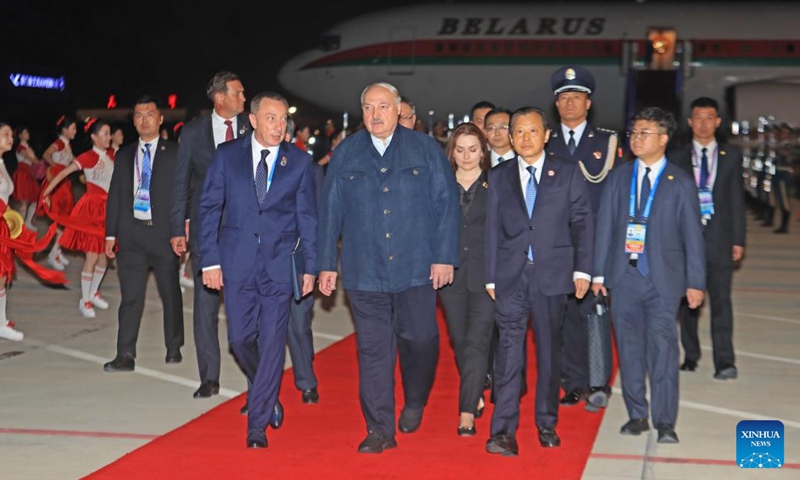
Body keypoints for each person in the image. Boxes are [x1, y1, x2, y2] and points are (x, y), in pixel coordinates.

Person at [317, 82, 460, 454]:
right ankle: (380, 428)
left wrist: (444, 256)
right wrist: (325, 264)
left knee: (421, 340)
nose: (375, 114)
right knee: (374, 351)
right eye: (368, 107)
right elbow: (330, 211)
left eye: (383, 106)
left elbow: (447, 206)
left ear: (398, 110)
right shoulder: (346, 153)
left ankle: (415, 398)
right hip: (365, 271)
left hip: (416, 268)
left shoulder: (425, 149)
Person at [197, 91, 318, 449]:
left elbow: (308, 217)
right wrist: (210, 260)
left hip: (280, 266)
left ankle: (258, 424)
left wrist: (310, 265)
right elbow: (208, 210)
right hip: (236, 262)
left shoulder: (298, 162)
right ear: (252, 119)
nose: (278, 126)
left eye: (282, 119)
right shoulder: (226, 157)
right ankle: (269, 394)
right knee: (239, 339)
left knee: (272, 343)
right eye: (270, 118)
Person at [592, 107, 705, 445]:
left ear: (664, 138)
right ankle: (637, 413)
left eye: (644, 133)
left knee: (663, 349)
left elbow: (693, 237)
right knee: (629, 349)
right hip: (623, 276)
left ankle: (666, 420)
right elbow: (605, 229)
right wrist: (598, 273)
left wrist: (695, 282)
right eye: (634, 132)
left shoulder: (680, 181)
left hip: (663, 280)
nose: (636, 139)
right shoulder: (619, 177)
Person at [484, 106, 593, 457]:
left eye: (533, 131)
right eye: (518, 132)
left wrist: (583, 269)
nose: (525, 138)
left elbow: (582, 222)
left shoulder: (566, 171)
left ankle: (546, 422)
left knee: (548, 353)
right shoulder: (499, 176)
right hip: (510, 276)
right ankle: (502, 431)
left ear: (547, 135)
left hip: (553, 274)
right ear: (511, 137)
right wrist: (489, 275)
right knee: (508, 353)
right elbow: (490, 229)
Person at [170, 71, 250, 399]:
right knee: (205, 308)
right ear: (220, 98)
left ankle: (255, 378)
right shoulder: (193, 134)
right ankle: (209, 377)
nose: (244, 99)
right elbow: (181, 183)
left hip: (246, 231)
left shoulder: (252, 127)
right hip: (207, 231)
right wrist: (178, 227)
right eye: (239, 93)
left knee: (245, 305)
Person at [546, 65, 621, 412]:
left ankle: (598, 382)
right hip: (555, 245)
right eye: (564, 98)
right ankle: (572, 382)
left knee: (594, 314)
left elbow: (616, 199)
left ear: (588, 103)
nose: (570, 103)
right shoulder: (545, 141)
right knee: (563, 318)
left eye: (576, 97)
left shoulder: (607, 143)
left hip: (594, 244)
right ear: (556, 104)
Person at [103, 95, 184, 372]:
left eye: (149, 114)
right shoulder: (124, 155)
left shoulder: (175, 153)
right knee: (130, 297)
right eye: (138, 115)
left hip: (164, 236)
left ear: (160, 119)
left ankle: (174, 346)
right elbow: (115, 196)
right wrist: (110, 234)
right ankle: (125, 353)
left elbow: (183, 193)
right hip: (132, 236)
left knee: (170, 293)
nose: (143, 119)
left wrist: (181, 227)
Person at [671, 97, 745, 380]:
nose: (703, 123)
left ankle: (725, 361)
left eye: (709, 117)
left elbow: (737, 200)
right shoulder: (677, 156)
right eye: (697, 117)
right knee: (687, 303)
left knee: (722, 303)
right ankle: (690, 355)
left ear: (717, 122)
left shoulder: (731, 156)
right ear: (690, 122)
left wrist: (738, 239)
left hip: (720, 240)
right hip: (685, 241)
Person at [438, 122, 494, 437]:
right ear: (452, 152)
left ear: (483, 151)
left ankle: (466, 413)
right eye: (460, 150)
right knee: (460, 341)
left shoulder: (496, 184)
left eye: (473, 149)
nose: (466, 156)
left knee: (477, 342)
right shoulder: (441, 184)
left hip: (486, 277)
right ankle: (476, 390)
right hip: (451, 276)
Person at [0, 121, 67, 342]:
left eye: (11, 134)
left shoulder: (2, 162)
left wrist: (12, 219)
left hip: (4, 224)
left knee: (3, 275)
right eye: (6, 134)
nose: (11, 138)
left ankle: (1, 321)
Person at [42, 119, 115, 318]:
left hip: (108, 209)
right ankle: (85, 300)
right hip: (92, 209)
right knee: (92, 256)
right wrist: (47, 191)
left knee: (105, 257)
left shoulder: (110, 156)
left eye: (109, 133)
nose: (109, 137)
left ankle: (93, 292)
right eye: (105, 133)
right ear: (94, 137)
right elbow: (65, 171)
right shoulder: (88, 157)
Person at [39, 116, 78, 271]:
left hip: (64, 184)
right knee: (60, 220)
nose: (75, 131)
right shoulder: (60, 143)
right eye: (73, 128)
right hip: (58, 184)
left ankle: (57, 250)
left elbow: (75, 161)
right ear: (64, 129)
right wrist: (56, 169)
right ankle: (53, 254)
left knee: (64, 220)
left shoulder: (67, 145)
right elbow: (46, 154)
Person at [12, 126, 43, 231]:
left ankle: (27, 222)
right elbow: (32, 159)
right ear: (20, 135)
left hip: (29, 174)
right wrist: (41, 163)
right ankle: (19, 227)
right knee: (24, 202)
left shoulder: (27, 147)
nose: (28, 134)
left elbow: (34, 160)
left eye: (27, 132)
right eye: (25, 132)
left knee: (35, 199)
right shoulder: (20, 148)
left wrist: (39, 162)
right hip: (23, 175)